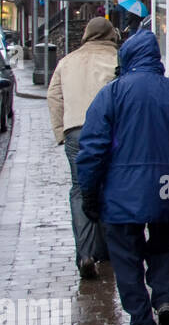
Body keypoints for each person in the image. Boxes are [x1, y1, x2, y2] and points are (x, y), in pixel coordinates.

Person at [77, 29, 169, 325]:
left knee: (126, 259)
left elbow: (92, 149)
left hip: (120, 195)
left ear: (127, 58)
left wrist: (89, 194)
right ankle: (163, 298)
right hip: (166, 189)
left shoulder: (111, 94)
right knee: (165, 246)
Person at [47, 17, 120, 280]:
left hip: (76, 131)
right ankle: (108, 249)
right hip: (109, 132)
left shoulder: (67, 61)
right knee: (109, 187)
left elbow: (53, 96)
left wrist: (61, 130)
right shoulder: (117, 60)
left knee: (80, 190)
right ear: (111, 35)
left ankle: (86, 253)